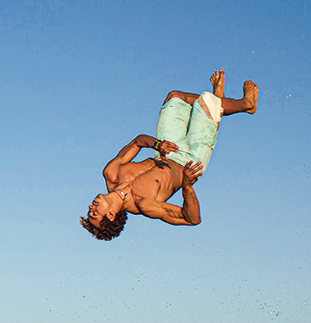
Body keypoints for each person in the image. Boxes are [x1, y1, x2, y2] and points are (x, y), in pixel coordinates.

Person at [81, 70, 258, 240]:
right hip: (190, 160)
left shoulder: (111, 173)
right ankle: (246, 104)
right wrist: (187, 186)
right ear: (111, 215)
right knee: (206, 102)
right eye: (94, 212)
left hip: (165, 150)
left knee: (174, 97)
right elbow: (192, 219)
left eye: (90, 210)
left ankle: (220, 102)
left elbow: (137, 141)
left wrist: (157, 145)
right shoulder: (145, 204)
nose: (91, 206)